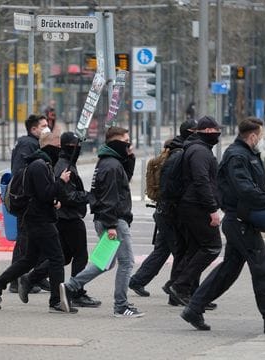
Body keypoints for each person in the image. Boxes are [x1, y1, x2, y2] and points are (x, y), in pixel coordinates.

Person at [179, 117, 265, 334]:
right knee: (263, 270)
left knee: (228, 270)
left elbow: (253, 187)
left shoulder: (246, 154)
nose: (260, 140)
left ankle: (194, 308)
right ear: (252, 136)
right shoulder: (237, 156)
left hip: (244, 221)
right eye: (259, 136)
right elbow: (246, 189)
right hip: (239, 221)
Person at [0, 132, 75, 314]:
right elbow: (45, 193)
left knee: (29, 260)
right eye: (58, 145)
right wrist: (61, 181)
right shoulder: (39, 166)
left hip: (34, 218)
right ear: (49, 146)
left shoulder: (41, 164)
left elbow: (42, 194)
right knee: (57, 258)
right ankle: (56, 301)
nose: (61, 149)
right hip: (39, 220)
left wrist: (54, 200)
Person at [60, 126, 144, 317]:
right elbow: (109, 197)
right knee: (126, 262)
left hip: (108, 218)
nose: (129, 145)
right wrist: (112, 225)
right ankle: (121, 306)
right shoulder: (111, 165)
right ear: (116, 143)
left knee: (106, 262)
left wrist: (130, 158)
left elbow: (123, 182)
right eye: (126, 142)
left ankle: (70, 286)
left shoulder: (107, 162)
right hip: (115, 220)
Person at [23, 131, 101, 308]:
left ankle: (31, 278)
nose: (78, 148)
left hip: (64, 216)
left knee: (63, 256)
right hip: (68, 216)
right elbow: (66, 195)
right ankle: (76, 291)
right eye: (74, 145)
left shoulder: (66, 162)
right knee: (80, 255)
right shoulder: (63, 165)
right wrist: (88, 196)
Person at [129, 120, 194, 303]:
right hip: (168, 213)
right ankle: (175, 289)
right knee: (181, 251)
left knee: (163, 250)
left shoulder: (172, 154)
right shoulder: (179, 155)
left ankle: (138, 280)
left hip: (163, 212)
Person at [167, 116, 222, 307]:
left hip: (190, 205)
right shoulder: (199, 152)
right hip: (197, 206)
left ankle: (188, 293)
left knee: (194, 250)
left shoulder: (196, 148)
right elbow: (201, 182)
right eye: (215, 130)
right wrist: (212, 208)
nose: (218, 134)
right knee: (212, 247)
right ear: (207, 131)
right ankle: (181, 287)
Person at [8, 114, 50, 293]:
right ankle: (15, 282)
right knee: (24, 242)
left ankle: (36, 277)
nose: (47, 128)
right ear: (34, 129)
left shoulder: (34, 143)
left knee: (36, 241)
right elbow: (20, 172)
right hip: (27, 203)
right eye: (43, 125)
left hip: (33, 202)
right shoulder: (28, 144)